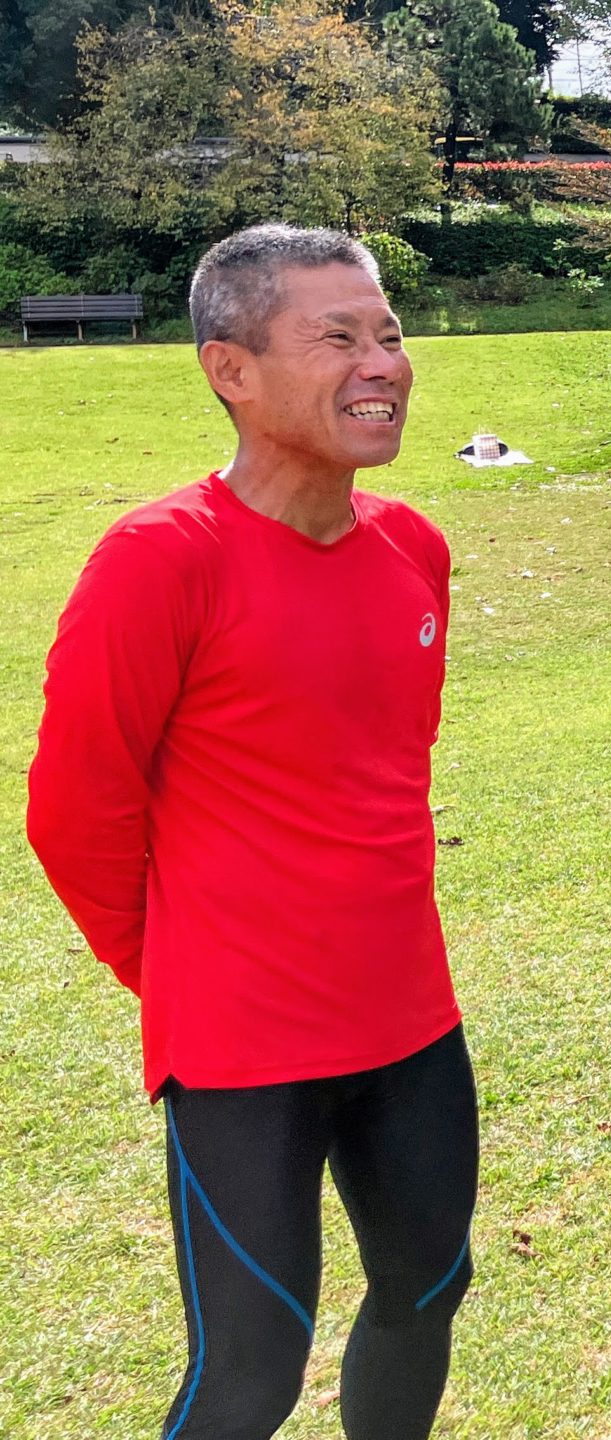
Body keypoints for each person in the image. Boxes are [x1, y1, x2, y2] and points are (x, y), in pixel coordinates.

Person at [26, 225, 477, 1438]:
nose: (381, 363)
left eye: (388, 333)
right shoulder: (160, 561)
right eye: (337, 338)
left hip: (410, 1019)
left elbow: (391, 767)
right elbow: (74, 815)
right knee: (250, 1374)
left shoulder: (414, 548)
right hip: (241, 1048)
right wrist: (185, 975)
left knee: (428, 1291)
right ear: (232, 369)